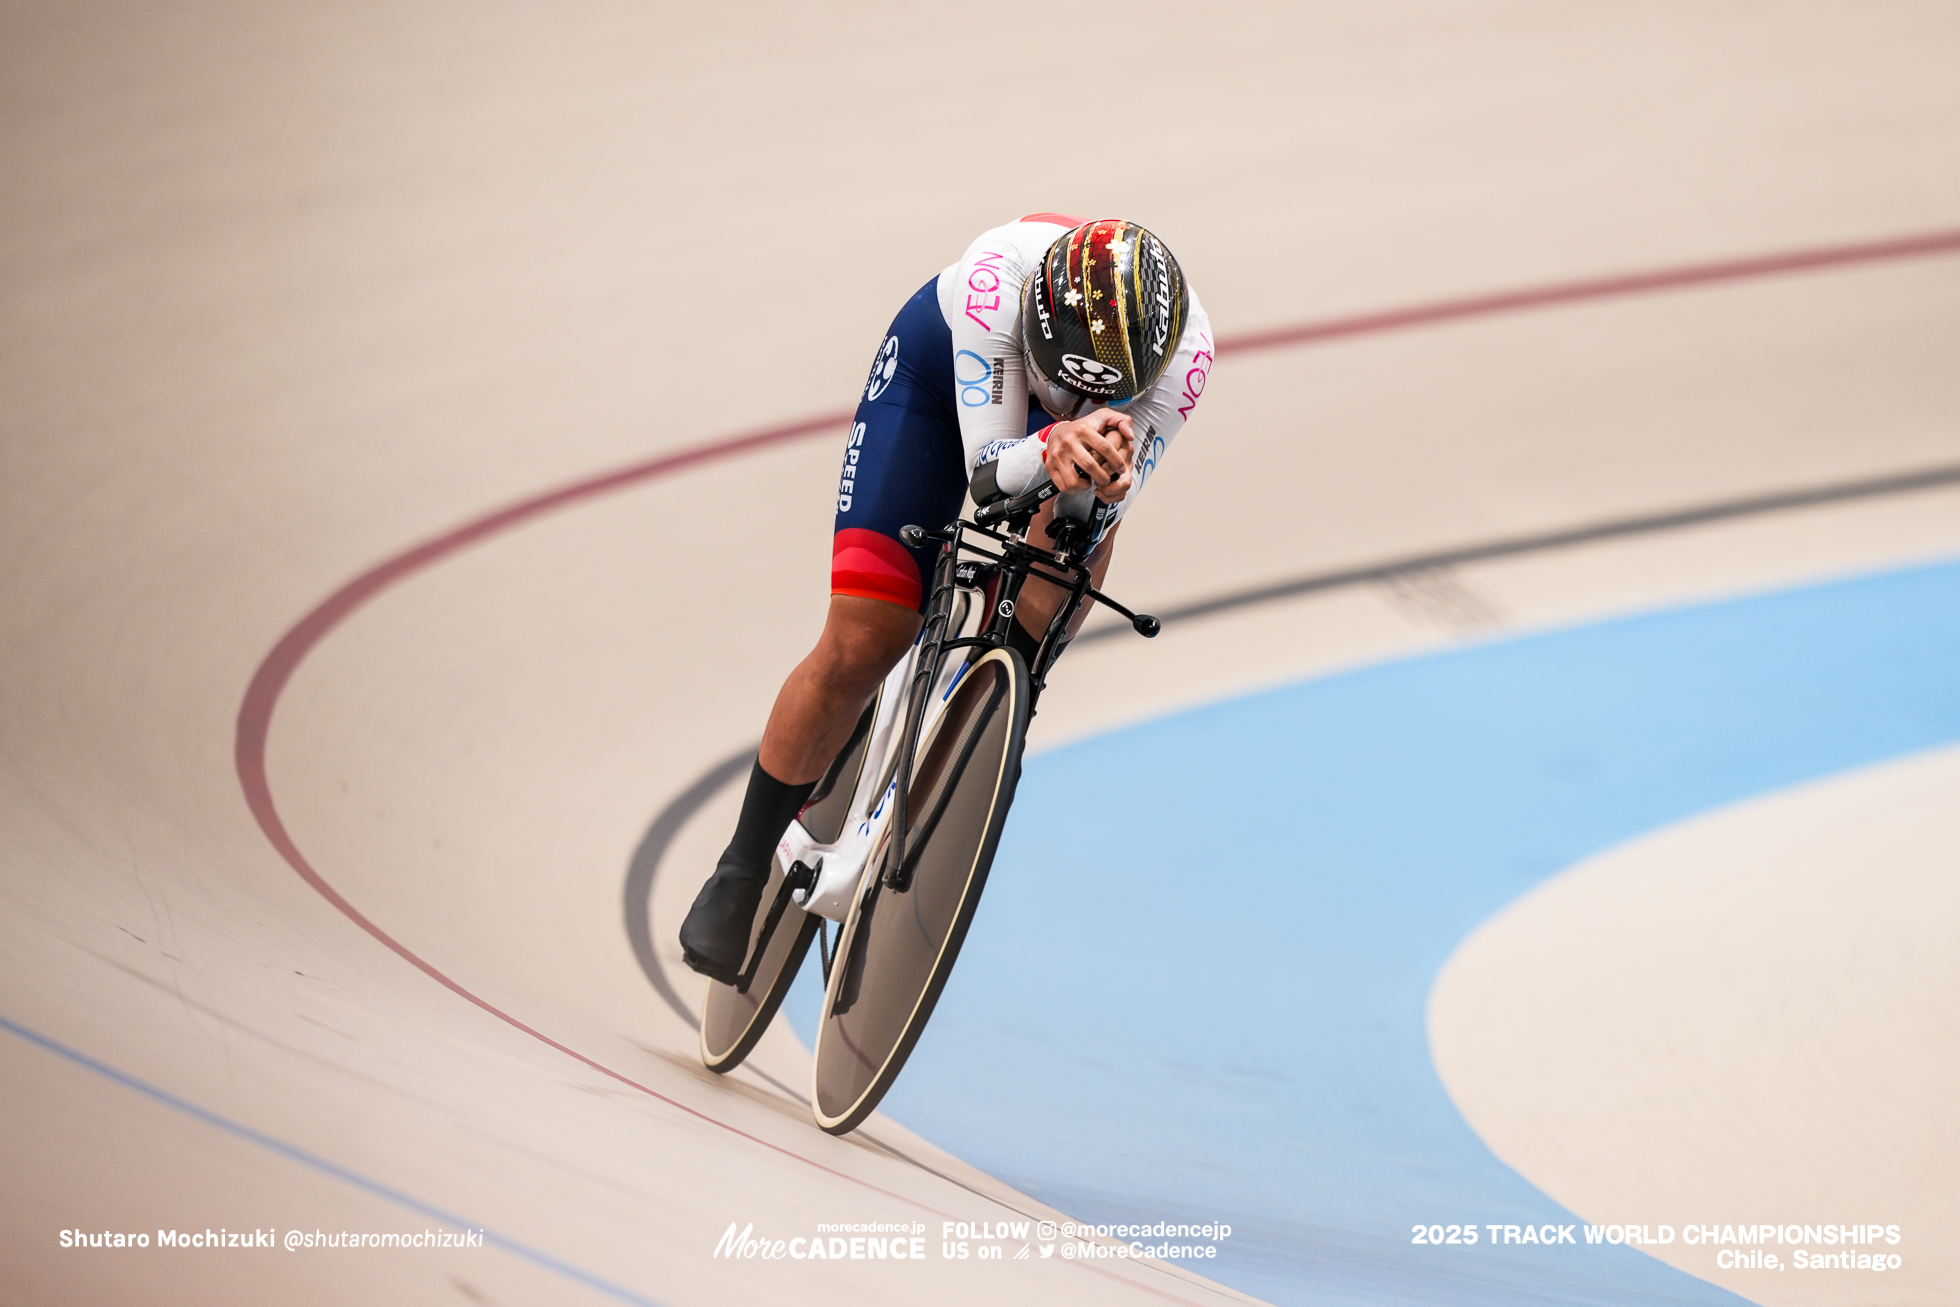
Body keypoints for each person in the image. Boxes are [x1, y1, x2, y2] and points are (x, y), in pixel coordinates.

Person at [679, 214, 1213, 983]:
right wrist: (1044, 445)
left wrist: (1100, 484)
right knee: (862, 643)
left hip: (1076, 426)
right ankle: (739, 866)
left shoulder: (1186, 358)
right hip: (945, 381)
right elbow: (989, 474)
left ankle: (998, 714)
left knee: (1071, 553)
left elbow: (1107, 503)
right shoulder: (996, 283)